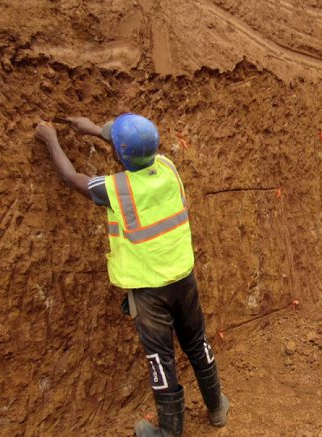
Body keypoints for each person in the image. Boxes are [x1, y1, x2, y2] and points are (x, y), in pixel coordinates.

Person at [35, 114, 229, 436]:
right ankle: (217, 407)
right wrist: (95, 130)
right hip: (183, 278)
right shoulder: (167, 167)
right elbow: (137, 147)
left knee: (161, 359)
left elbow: (70, 177)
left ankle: (169, 432)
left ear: (118, 153)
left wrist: (50, 138)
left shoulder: (115, 188)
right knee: (197, 342)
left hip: (150, 293)